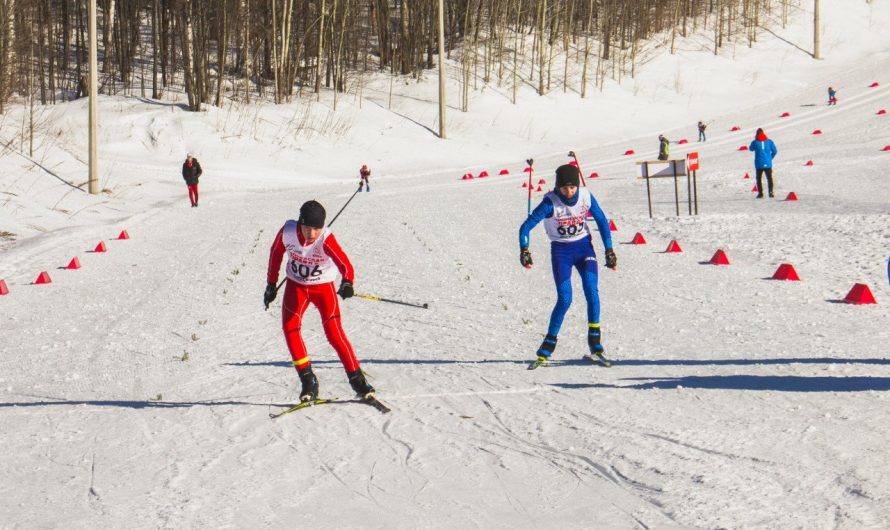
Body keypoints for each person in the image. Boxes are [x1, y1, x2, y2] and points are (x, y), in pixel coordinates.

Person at [263, 200, 375, 401]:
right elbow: (275, 254)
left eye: (316, 228)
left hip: (322, 287)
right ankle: (308, 381)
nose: (312, 233)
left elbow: (345, 264)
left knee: (334, 333)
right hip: (296, 286)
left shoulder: (325, 239)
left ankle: (357, 380)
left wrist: (347, 283)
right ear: (300, 223)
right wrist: (271, 285)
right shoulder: (287, 232)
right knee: (290, 329)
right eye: (307, 227)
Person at [519, 164, 617, 368]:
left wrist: (609, 250)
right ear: (558, 187)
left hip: (584, 249)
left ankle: (595, 344)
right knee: (565, 299)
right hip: (561, 252)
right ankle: (547, 347)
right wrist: (525, 250)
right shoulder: (550, 203)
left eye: (572, 187)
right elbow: (525, 227)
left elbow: (601, 220)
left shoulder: (585, 196)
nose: (569, 192)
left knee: (592, 290)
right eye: (564, 188)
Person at [749, 128, 778, 198]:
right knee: (769, 178)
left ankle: (760, 193)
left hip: (759, 163)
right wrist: (770, 158)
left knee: (759, 179)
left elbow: (750, 149)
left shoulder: (755, 142)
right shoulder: (769, 142)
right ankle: (771, 193)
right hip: (768, 163)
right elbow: (775, 151)